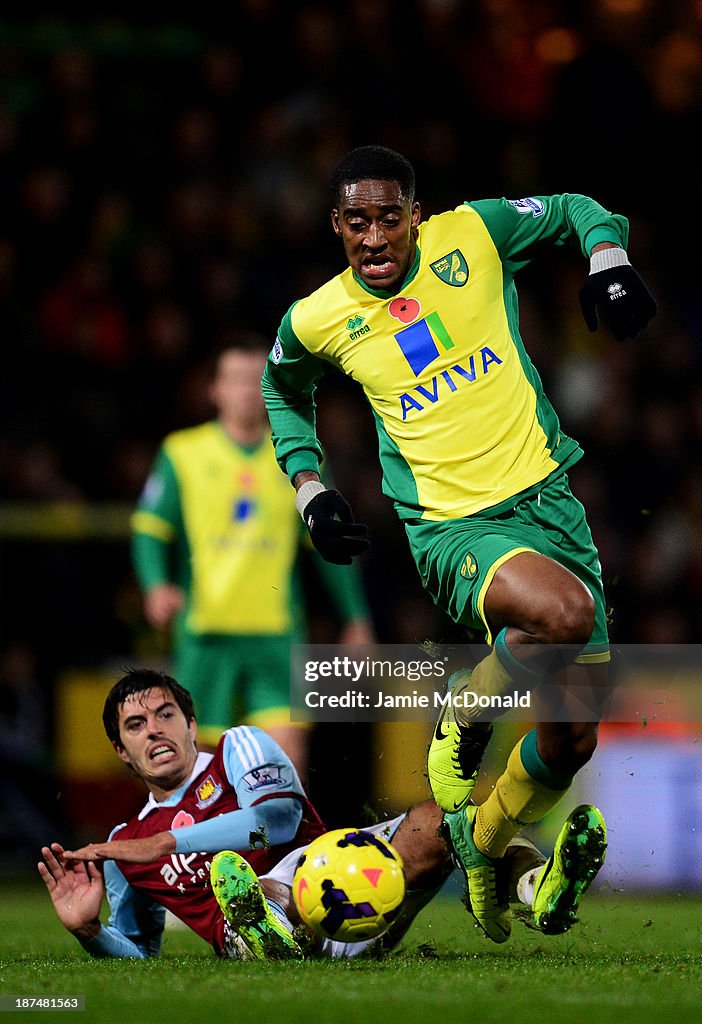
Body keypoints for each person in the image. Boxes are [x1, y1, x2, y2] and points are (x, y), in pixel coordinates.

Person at [261, 145, 655, 941]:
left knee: (573, 737)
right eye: (356, 222)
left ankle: (481, 843)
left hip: (551, 503)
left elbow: (579, 204)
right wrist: (309, 487)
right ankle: (463, 720)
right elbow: (283, 388)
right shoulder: (316, 317)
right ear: (337, 225)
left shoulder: (473, 235)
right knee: (565, 616)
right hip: (455, 529)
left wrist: (607, 260)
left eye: (389, 218)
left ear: (417, 215)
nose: (374, 238)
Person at [38, 668, 607, 959]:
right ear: (121, 752)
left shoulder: (240, 747)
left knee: (444, 819)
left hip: (349, 884)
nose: (155, 729)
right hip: (266, 937)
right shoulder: (124, 843)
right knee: (263, 887)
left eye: (166, 714)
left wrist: (168, 844)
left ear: (191, 725)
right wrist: (91, 931)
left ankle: (540, 888)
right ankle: (262, 927)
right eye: (136, 726)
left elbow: (279, 822)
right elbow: (142, 957)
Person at [131, 334, 374, 774]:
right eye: (236, 378)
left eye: (255, 379)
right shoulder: (183, 452)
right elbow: (149, 528)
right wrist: (155, 586)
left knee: (287, 767)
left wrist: (354, 618)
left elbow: (327, 544)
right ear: (214, 390)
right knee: (197, 770)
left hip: (275, 635)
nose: (247, 389)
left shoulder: (298, 459)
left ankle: (282, 846)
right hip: (206, 632)